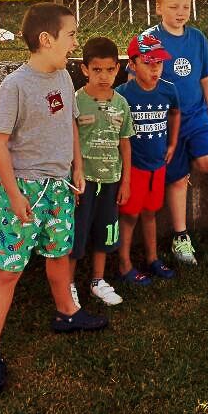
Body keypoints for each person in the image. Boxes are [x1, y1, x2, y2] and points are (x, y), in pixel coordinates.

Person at [0, 3, 106, 399]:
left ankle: (67, 312)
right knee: (8, 271)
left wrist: (77, 167)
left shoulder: (65, 78)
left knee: (57, 255)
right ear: (47, 40)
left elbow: (67, 122)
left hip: (60, 187)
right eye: (71, 35)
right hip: (24, 191)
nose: (75, 43)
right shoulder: (16, 85)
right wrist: (14, 195)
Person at [139, 0, 208, 265]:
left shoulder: (198, 38)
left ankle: (188, 156)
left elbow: (206, 79)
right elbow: (135, 82)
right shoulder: (149, 40)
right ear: (159, 7)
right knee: (176, 181)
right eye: (174, 6)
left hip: (196, 115)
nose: (180, 12)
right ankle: (180, 236)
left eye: (186, 6)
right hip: (165, 123)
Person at [70, 37, 134, 307]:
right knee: (76, 234)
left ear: (117, 69)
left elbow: (125, 143)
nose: (104, 76)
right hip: (83, 183)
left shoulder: (121, 103)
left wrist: (126, 181)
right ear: (85, 69)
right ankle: (69, 284)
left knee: (106, 232)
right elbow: (69, 142)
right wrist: (75, 174)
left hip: (111, 181)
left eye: (110, 69)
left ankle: (98, 280)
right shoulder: (75, 101)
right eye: (97, 70)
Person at [114, 34, 181, 284]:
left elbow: (175, 113)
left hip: (157, 164)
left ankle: (152, 258)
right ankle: (124, 264)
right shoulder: (122, 95)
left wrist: (172, 143)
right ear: (132, 64)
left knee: (151, 212)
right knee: (130, 215)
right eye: (148, 62)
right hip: (134, 167)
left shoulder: (168, 89)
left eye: (159, 63)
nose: (155, 68)